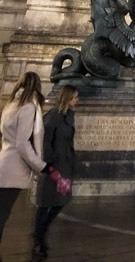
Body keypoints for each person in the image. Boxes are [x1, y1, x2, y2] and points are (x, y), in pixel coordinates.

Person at [0, 72, 47, 251]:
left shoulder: (10, 104)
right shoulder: (28, 107)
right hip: (14, 168)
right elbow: (22, 143)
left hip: (3, 161)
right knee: (2, 213)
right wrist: (40, 165)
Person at [32, 85, 77, 260]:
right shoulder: (52, 117)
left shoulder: (69, 116)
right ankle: (38, 238)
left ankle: (41, 233)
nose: (77, 101)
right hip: (53, 167)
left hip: (64, 165)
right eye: (74, 97)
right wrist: (50, 165)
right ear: (67, 99)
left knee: (60, 202)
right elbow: (45, 143)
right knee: (45, 205)